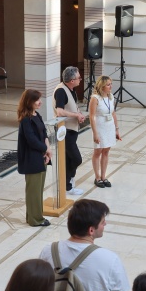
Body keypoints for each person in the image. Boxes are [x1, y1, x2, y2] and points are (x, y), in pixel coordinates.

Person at [16, 89, 53, 227]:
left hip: (41, 156)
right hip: (32, 158)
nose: (40, 102)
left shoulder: (37, 115)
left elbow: (44, 134)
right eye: (37, 100)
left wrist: (48, 150)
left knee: (38, 190)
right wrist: (46, 149)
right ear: (29, 101)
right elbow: (31, 140)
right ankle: (35, 219)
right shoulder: (26, 120)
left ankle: (34, 216)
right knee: (34, 191)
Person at [53, 66, 86, 196]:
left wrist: (79, 114)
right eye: (79, 78)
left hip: (72, 130)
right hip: (65, 130)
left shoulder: (71, 89)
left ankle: (67, 185)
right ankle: (69, 183)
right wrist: (75, 115)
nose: (80, 80)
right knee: (76, 159)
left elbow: (72, 106)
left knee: (69, 159)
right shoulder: (61, 91)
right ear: (72, 80)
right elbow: (60, 111)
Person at [89, 76, 121, 188]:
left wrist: (116, 129)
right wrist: (95, 133)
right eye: (108, 84)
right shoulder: (95, 98)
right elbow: (91, 116)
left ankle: (103, 176)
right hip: (100, 127)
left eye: (111, 84)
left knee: (106, 151)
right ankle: (97, 177)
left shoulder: (110, 97)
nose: (111, 86)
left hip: (109, 127)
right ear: (102, 86)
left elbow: (113, 113)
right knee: (98, 151)